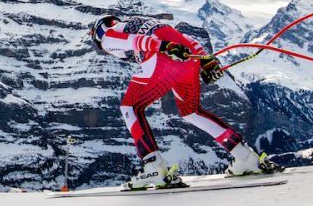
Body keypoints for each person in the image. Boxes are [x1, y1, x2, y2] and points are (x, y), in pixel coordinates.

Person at [89, 14, 282, 189]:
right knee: (192, 112)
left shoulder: (107, 37)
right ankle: (244, 156)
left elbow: (135, 41)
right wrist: (206, 60)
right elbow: (188, 40)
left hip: (162, 57)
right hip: (187, 58)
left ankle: (152, 167)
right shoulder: (138, 21)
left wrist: (164, 47)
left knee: (130, 106)